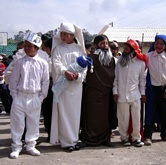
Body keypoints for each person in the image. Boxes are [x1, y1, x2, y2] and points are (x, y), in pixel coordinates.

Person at [9, 31, 49, 159]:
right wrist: (14, 96)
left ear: (36, 48)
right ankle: (16, 146)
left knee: (33, 122)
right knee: (17, 123)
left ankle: (31, 145)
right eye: (25, 45)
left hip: (34, 97)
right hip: (20, 96)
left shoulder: (43, 63)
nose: (26, 48)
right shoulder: (20, 62)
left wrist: (41, 97)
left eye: (29, 46)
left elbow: (45, 81)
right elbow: (14, 80)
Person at [50, 23, 86, 152]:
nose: (63, 36)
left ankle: (74, 139)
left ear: (72, 35)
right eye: (62, 34)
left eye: (66, 34)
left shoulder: (79, 49)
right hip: (63, 85)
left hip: (76, 87)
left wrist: (78, 76)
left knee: (75, 113)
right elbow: (56, 64)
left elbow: (84, 66)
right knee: (64, 113)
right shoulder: (58, 49)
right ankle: (66, 142)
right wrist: (66, 72)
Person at [80, 34, 116, 147]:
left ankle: (105, 138)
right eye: (102, 44)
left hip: (107, 94)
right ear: (96, 45)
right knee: (91, 117)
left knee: (105, 118)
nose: (105, 46)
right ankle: (87, 139)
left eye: (106, 43)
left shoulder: (113, 60)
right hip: (93, 94)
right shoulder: (90, 58)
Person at [113, 39, 147, 147]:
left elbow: (142, 80)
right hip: (122, 95)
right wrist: (115, 91)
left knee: (136, 118)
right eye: (124, 48)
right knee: (123, 118)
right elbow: (116, 78)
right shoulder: (119, 62)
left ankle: (136, 138)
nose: (124, 51)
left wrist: (143, 93)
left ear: (133, 50)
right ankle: (124, 138)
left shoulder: (141, 63)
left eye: (127, 49)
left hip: (135, 95)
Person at [144, 34, 166, 146]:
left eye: (161, 44)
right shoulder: (148, 56)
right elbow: (143, 74)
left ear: (165, 45)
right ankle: (147, 135)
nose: (159, 46)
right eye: (157, 43)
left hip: (165, 90)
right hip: (152, 89)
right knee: (150, 112)